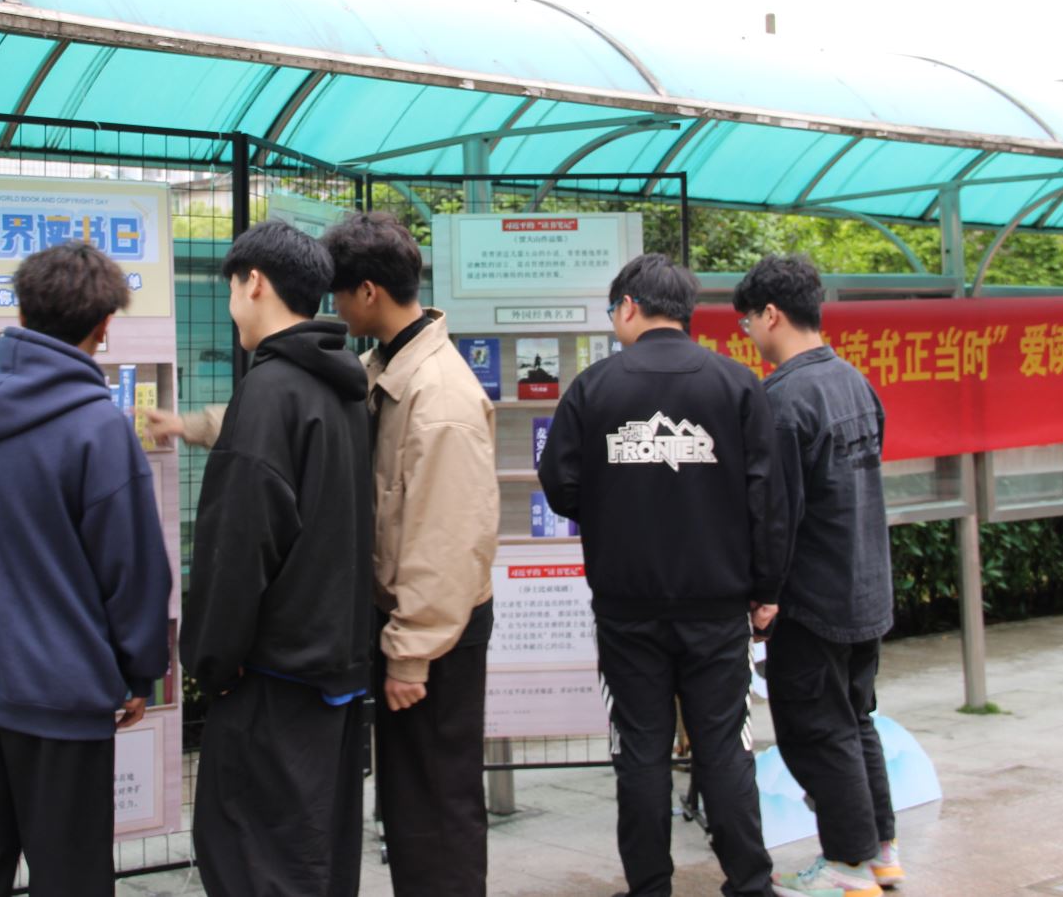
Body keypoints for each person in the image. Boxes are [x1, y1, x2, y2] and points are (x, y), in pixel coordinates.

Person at [0, 241, 171, 897]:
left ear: (21, 311)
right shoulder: (99, 427)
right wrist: (139, 669)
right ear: (104, 326)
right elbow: (132, 568)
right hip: (62, 697)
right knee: (71, 879)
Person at [538, 253, 790, 897]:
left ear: (628, 306)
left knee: (641, 750)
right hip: (718, 606)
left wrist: (614, 502)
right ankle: (751, 882)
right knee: (724, 746)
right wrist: (766, 591)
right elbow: (768, 497)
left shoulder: (594, 388)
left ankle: (649, 886)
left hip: (626, 607)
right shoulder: (736, 385)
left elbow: (560, 484)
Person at [174, 220, 375, 896]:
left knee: (254, 864)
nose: (233, 306)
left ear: (254, 282)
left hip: (272, 682)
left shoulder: (269, 391)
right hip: (332, 676)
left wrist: (211, 659)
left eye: (232, 289)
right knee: (315, 862)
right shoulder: (342, 389)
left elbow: (239, 544)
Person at [322, 211, 499, 896]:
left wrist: (410, 653)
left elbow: (446, 538)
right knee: (411, 803)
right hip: (416, 625)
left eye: (339, 292)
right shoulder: (389, 366)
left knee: (435, 809)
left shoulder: (439, 397)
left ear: (368, 291)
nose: (335, 307)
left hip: (436, 634)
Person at [734, 256, 899, 897]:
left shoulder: (783, 400)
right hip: (866, 587)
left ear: (772, 314)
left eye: (748, 320)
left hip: (813, 597)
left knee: (815, 730)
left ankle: (848, 866)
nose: (748, 332)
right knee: (855, 719)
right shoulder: (854, 381)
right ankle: (881, 853)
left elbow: (777, 514)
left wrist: (764, 596)